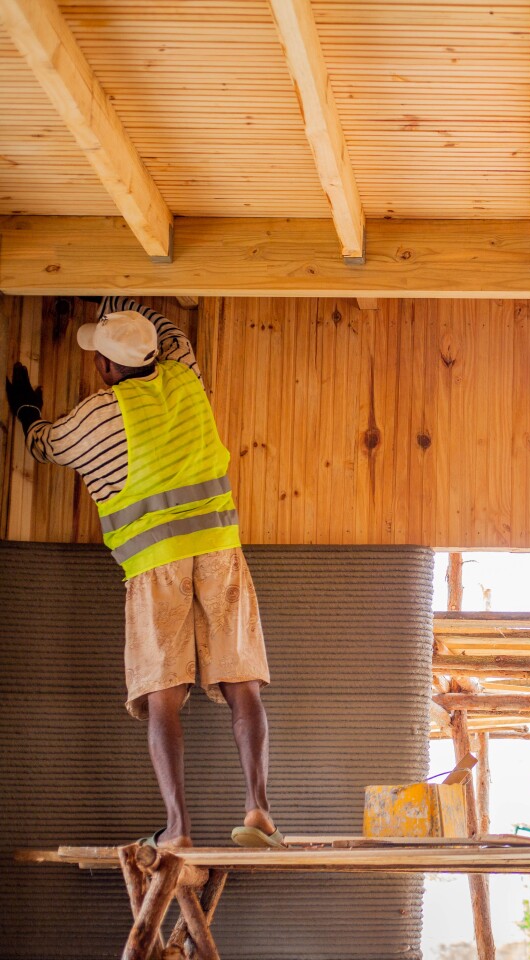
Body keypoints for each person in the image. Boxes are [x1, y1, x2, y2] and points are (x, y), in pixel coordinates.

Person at [5, 296, 284, 850]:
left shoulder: (94, 417)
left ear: (107, 368)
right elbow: (168, 327)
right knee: (243, 685)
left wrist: (26, 411)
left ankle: (178, 829)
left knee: (162, 696)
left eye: (100, 359)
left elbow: (45, 447)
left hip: (155, 566)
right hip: (219, 550)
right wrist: (119, 304)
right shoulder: (185, 370)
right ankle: (258, 810)